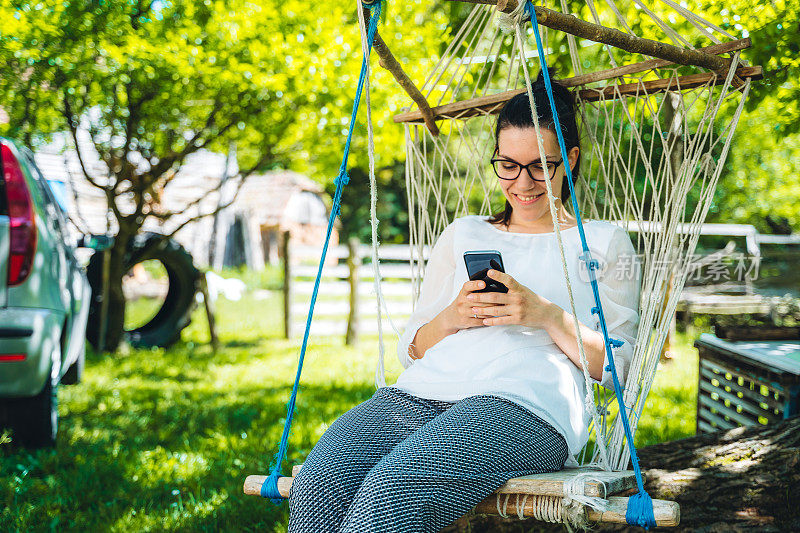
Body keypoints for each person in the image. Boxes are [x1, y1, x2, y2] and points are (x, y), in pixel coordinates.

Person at [287, 70, 641, 533]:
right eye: (508, 165)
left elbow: (620, 369)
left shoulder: (603, 242)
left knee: (391, 495)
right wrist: (452, 317)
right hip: (422, 392)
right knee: (321, 481)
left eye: (541, 165)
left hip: (525, 404)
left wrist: (548, 316)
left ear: (570, 160)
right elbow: (410, 349)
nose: (523, 182)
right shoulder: (465, 234)